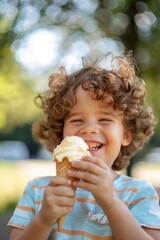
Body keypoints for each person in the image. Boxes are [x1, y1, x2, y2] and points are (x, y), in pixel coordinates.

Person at [8, 52, 160, 240]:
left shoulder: (139, 193)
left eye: (104, 119)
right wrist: (44, 219)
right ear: (61, 133)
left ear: (126, 135)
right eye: (77, 119)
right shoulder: (38, 191)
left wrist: (112, 203)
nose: (89, 129)